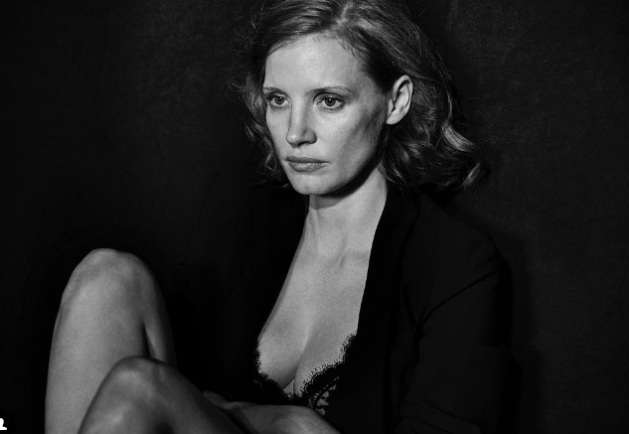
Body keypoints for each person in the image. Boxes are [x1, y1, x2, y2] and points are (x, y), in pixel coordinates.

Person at [45, 0, 509, 432]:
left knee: (138, 388)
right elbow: (192, 392)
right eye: (278, 100)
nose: (295, 133)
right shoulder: (244, 220)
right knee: (107, 277)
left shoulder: (455, 264)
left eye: (329, 101)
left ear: (396, 101)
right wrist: (282, 421)